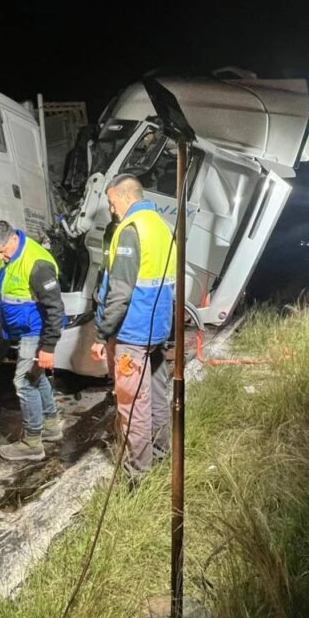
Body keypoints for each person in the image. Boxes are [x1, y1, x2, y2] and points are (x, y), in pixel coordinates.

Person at [90, 173, 175, 478]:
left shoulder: (130, 230)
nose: (111, 209)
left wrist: (102, 334)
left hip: (132, 332)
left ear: (126, 197)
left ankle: (138, 474)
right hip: (157, 328)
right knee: (155, 397)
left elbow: (120, 293)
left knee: (132, 405)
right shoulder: (162, 227)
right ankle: (162, 455)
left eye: (112, 202)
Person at [0, 220, 65, 461]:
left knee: (23, 383)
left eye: (2, 251)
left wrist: (48, 347)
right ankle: (51, 426)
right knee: (35, 377)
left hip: (38, 329)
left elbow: (55, 308)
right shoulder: (7, 253)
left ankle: (32, 443)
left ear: (13, 239)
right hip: (25, 327)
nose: (1, 257)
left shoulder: (37, 264)